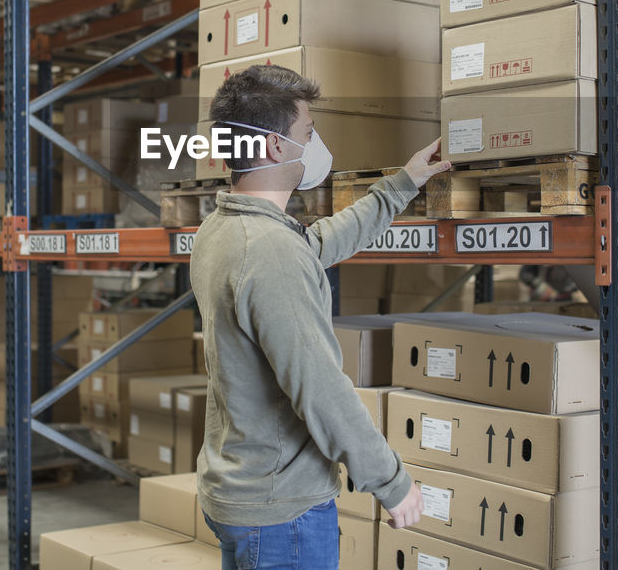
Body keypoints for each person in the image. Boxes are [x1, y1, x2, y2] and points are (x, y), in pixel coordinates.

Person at [190, 64, 452, 570]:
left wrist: (403, 184)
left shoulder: (222, 230)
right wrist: (391, 482)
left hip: (242, 488)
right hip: (281, 509)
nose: (315, 145)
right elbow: (320, 387)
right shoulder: (268, 252)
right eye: (307, 133)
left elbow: (315, 245)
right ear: (273, 147)